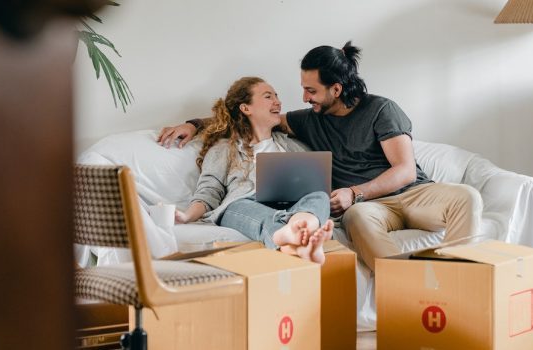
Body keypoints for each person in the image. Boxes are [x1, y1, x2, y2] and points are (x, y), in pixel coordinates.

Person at [159, 42, 482, 270]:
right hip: (365, 209)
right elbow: (240, 124)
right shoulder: (301, 121)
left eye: (311, 90)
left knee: (466, 197)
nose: (302, 97)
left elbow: (405, 171)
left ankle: (458, 277)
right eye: (302, 89)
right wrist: (194, 124)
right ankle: (401, 282)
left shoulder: (380, 110)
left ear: (337, 89)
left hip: (411, 195)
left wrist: (353, 193)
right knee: (356, 219)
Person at [174, 76, 333, 264]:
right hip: (245, 206)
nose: (278, 102)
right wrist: (186, 216)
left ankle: (299, 235)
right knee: (236, 206)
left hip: (291, 206)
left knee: (319, 195)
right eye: (268, 96)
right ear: (245, 108)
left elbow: (314, 185)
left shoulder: (293, 146)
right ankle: (295, 237)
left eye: (276, 96)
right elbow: (209, 192)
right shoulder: (224, 149)